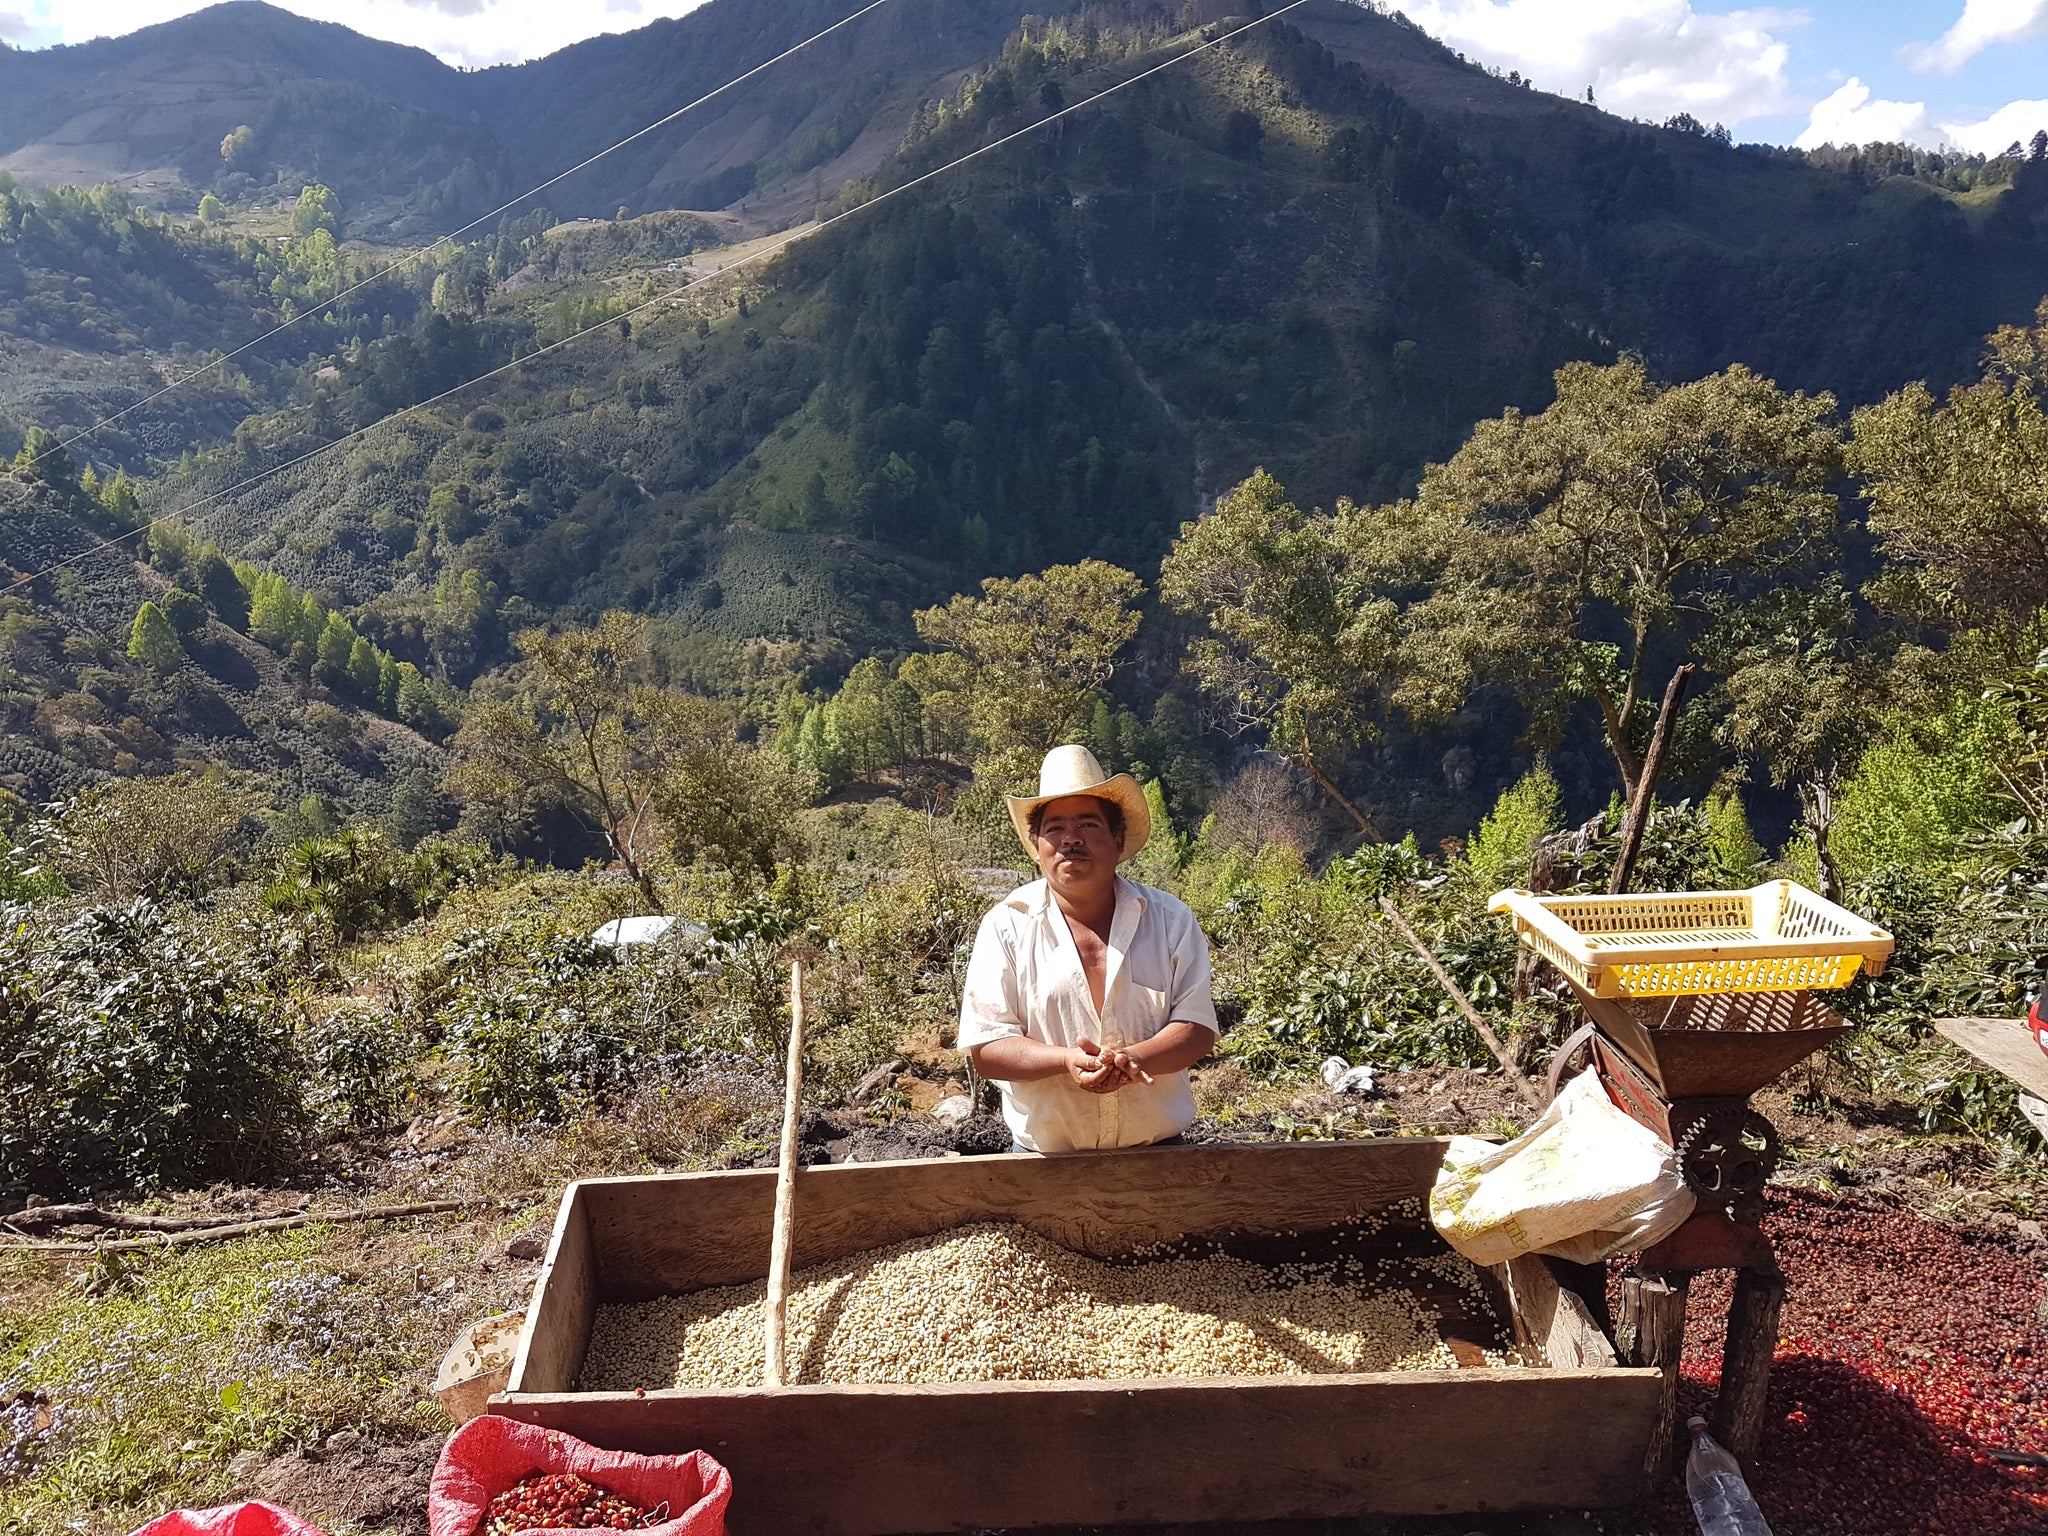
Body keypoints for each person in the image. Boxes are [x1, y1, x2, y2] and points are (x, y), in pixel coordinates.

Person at [958, 744, 1218, 1153]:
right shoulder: (1006, 925)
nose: (1071, 839)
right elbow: (988, 1049)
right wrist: (1064, 1061)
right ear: (1038, 845)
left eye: (1088, 825)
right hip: (1042, 1166)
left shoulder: (1171, 919)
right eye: (1055, 827)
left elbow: (1198, 1029)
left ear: (1117, 840)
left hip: (1161, 1159)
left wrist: (1134, 1059)